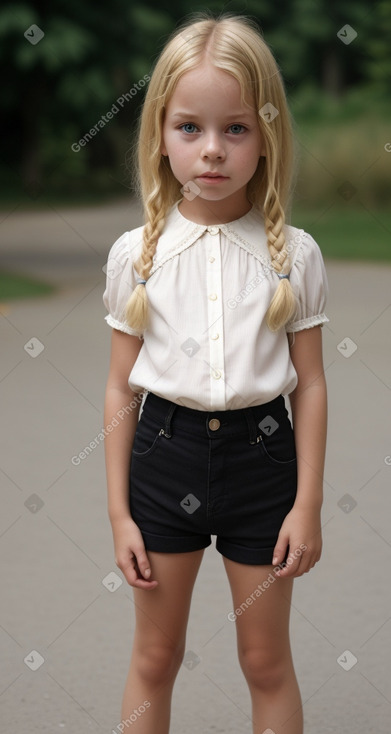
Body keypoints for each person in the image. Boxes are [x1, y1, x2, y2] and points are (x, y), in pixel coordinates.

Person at [102, 11, 329, 734]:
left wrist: (307, 505)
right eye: (188, 128)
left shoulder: (294, 254)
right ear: (159, 134)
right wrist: (118, 514)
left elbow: (313, 385)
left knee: (265, 662)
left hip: (263, 462)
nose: (211, 150)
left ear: (266, 136)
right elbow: (119, 390)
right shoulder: (134, 253)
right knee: (155, 655)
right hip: (161, 464)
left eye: (235, 128)